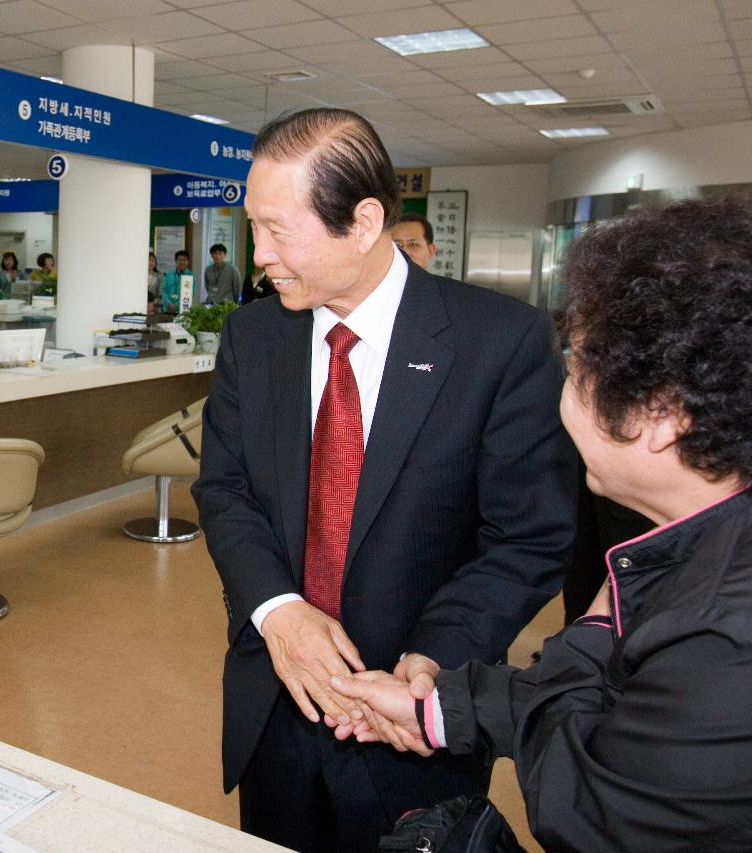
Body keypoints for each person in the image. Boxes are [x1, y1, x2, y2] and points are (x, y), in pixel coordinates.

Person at [331, 196, 752, 850]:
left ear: (661, 414)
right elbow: (613, 706)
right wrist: (436, 709)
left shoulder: (738, 638)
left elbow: (586, 806)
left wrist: (602, 617)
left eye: (577, 364)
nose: (563, 384)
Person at [191, 108, 577, 851]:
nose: (259, 252)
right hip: (278, 704)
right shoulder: (254, 335)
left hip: (415, 726)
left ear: (363, 221)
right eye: (253, 227)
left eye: (279, 229)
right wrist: (278, 611)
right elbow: (226, 490)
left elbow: (527, 536)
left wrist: (432, 656)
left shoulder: (498, 342)